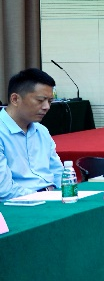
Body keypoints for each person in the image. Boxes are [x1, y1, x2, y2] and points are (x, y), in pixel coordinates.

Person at [1, 68, 65, 201]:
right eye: (40, 100)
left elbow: (58, 172)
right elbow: (4, 190)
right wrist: (43, 196)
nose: (47, 107)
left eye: (50, 101)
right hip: (18, 204)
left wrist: (64, 193)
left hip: (52, 198)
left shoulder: (41, 131)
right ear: (15, 99)